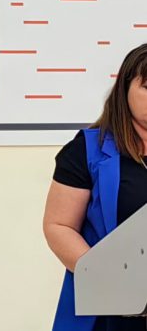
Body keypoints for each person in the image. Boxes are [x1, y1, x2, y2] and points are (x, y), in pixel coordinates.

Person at [44, 43, 147, 331]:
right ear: (124, 87)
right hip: (111, 308)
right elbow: (59, 226)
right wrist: (107, 277)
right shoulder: (87, 150)